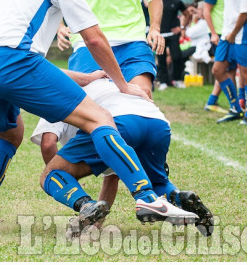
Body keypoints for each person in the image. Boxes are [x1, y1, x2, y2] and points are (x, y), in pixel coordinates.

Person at [0, 0, 178, 232]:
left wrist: (84, 76)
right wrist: (122, 85)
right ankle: (146, 196)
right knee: (99, 118)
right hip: (11, 62)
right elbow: (94, 38)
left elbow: (17, 46)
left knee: (8, 135)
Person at [33, 78, 211, 237]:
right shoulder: (106, 82)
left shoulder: (58, 89)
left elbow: (48, 143)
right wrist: (96, 225)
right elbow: (112, 177)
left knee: (51, 175)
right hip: (156, 122)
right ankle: (178, 196)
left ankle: (87, 205)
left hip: (117, 121)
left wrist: (65, 184)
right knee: (156, 181)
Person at [203, 0, 233, 113]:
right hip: (220, 35)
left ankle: (214, 100)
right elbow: (206, 11)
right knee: (223, 69)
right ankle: (233, 103)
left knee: (228, 69)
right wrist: (213, 33)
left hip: (230, 34)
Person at [156, 0, 191, 90]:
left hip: (172, 35)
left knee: (177, 57)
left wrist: (181, 27)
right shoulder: (157, 1)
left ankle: (177, 80)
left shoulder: (177, 2)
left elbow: (186, 14)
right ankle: (163, 82)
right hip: (160, 34)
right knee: (161, 59)